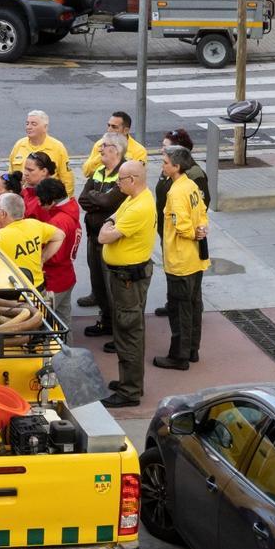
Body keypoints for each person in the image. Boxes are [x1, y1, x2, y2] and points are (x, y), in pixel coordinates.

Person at [98, 161, 156, 408]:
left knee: (128, 330)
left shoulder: (138, 207)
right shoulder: (136, 197)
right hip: (127, 277)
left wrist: (109, 227)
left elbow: (103, 235)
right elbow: (112, 218)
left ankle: (129, 390)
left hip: (128, 280)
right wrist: (110, 224)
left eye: (120, 179)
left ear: (132, 180)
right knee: (129, 328)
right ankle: (130, 381)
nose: (116, 183)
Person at [154, 146, 209, 371]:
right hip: (195, 258)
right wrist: (201, 229)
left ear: (176, 167)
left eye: (165, 162)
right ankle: (192, 349)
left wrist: (191, 232)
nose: (162, 166)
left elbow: (180, 223)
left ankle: (179, 356)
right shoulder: (191, 185)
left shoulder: (176, 192)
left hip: (179, 260)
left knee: (179, 311)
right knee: (194, 306)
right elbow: (202, 211)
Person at [152, 129, 210, 317]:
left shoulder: (193, 175)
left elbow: (202, 204)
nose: (162, 152)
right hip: (168, 228)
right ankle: (173, 303)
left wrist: (196, 230)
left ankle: (190, 308)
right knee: (174, 272)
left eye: (166, 148)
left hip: (183, 236)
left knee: (187, 277)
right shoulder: (168, 172)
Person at [77, 134, 129, 337]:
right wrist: (99, 199)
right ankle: (106, 321)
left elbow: (110, 202)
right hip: (94, 238)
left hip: (111, 241)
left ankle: (118, 329)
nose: (99, 149)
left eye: (104, 146)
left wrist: (97, 199)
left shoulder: (124, 173)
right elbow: (83, 199)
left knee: (112, 288)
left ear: (115, 150)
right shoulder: (98, 171)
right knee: (98, 283)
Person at [35, 178, 81, 338]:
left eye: (42, 202)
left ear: (52, 201)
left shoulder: (58, 221)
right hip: (66, 276)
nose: (40, 205)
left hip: (53, 280)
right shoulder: (70, 213)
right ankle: (69, 359)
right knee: (64, 324)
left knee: (44, 327)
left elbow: (53, 256)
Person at [0, 193, 65, 290]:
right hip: (38, 287)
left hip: (13, 292)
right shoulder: (34, 224)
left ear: (3, 214)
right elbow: (60, 235)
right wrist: (42, 258)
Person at [8, 110, 73, 199]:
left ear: (45, 127)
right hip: (23, 200)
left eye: (33, 124)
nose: (29, 127)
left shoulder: (57, 147)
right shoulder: (19, 145)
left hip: (47, 201)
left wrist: (61, 204)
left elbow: (67, 180)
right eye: (27, 124)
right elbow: (11, 174)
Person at [80, 112, 148, 178]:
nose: (109, 130)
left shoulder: (139, 151)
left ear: (126, 130)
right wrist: (101, 156)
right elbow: (86, 172)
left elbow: (137, 177)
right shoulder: (100, 144)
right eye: (108, 125)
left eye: (114, 127)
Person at [20, 151, 57, 221]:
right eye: (25, 169)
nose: (25, 173)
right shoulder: (25, 191)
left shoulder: (48, 199)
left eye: (30, 170)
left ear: (44, 171)